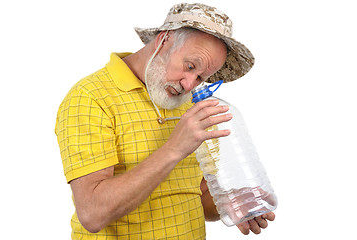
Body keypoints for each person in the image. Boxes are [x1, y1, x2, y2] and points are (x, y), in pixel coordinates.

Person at [55, 3, 275, 239]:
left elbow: (196, 194)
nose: (189, 84)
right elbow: (92, 213)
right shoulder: (90, 97)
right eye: (190, 66)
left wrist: (232, 202)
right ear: (164, 40)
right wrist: (174, 148)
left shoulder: (191, 104)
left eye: (201, 77)